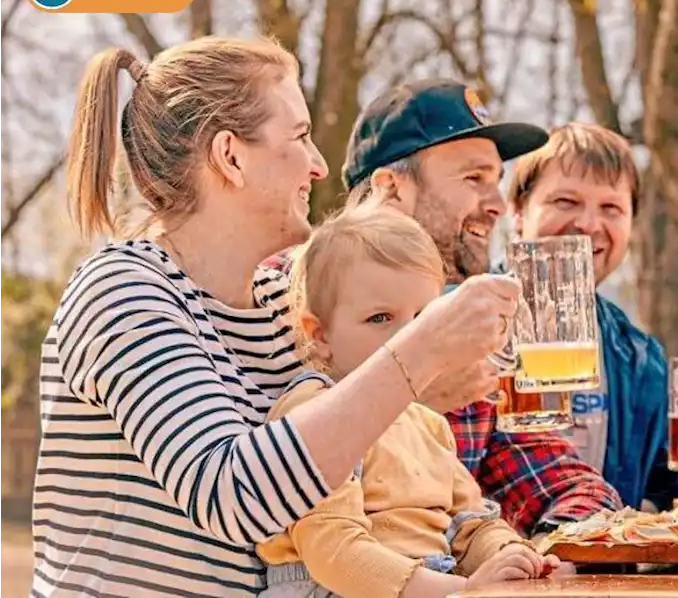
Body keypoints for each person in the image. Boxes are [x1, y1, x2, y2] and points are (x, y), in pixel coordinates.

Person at [31, 38, 517, 597]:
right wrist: (419, 351)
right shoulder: (123, 290)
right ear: (230, 156)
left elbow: (344, 456)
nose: (319, 165)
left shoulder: (281, 305)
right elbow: (232, 494)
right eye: (301, 136)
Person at [267, 78, 623, 537]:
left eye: (497, 181)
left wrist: (553, 549)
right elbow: (266, 482)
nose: (497, 205)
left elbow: (565, 483)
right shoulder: (283, 291)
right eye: (473, 178)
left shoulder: (471, 328)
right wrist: (412, 396)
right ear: (391, 188)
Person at [255, 202, 560, 598]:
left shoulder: (427, 424)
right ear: (320, 334)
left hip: (435, 581)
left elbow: (470, 525)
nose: (407, 337)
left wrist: (512, 556)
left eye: (423, 319)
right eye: (381, 318)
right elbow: (335, 553)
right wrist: (464, 589)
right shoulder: (314, 415)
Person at [505, 122, 678, 510]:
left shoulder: (638, 357)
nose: (588, 224)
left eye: (611, 208)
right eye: (566, 202)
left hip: (597, 568)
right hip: (477, 566)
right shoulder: (461, 320)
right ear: (518, 211)